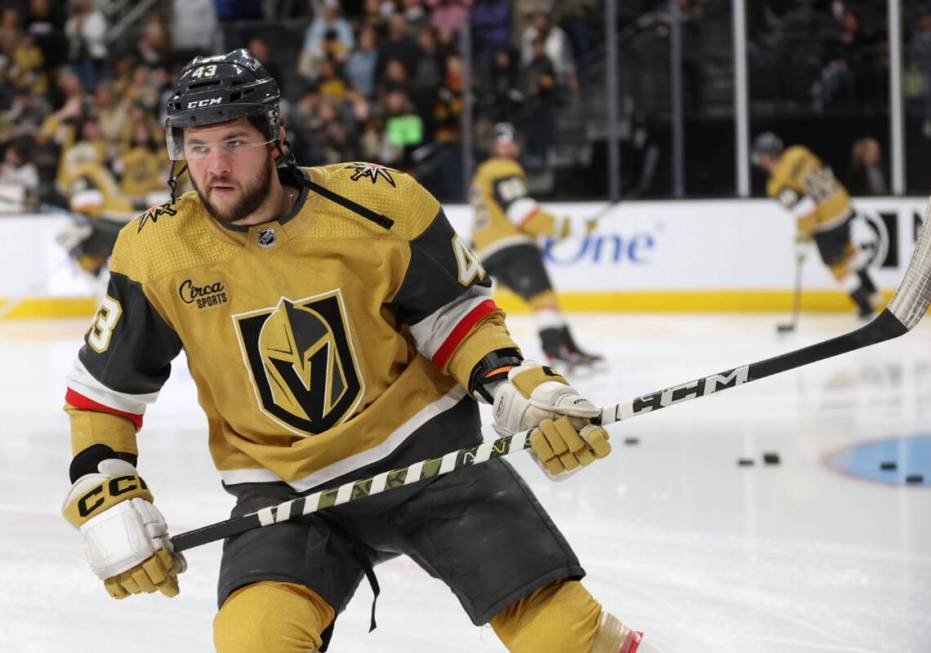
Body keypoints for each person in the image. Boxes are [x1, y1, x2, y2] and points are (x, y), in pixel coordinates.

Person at [59, 49, 655, 653]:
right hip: (286, 495)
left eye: (233, 141)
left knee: (567, 640)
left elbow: (454, 316)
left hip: (429, 464)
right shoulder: (156, 251)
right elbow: (104, 392)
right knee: (254, 642)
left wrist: (508, 385)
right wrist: (108, 489)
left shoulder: (379, 203)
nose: (215, 166)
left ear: (274, 138)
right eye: (198, 146)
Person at [470, 122, 603, 371]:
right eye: (505, 142)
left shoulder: (481, 174)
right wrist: (568, 227)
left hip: (490, 252)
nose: (511, 147)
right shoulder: (503, 168)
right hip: (513, 247)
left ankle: (570, 347)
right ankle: (556, 353)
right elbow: (521, 212)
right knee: (543, 300)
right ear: (495, 146)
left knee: (545, 299)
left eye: (512, 141)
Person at [751, 131, 879, 319]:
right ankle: (873, 292)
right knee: (849, 251)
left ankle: (865, 306)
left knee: (837, 266)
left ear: (766, 157)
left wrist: (802, 239)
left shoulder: (776, 184)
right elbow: (823, 170)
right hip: (842, 203)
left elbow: (807, 211)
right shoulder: (798, 152)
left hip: (827, 222)